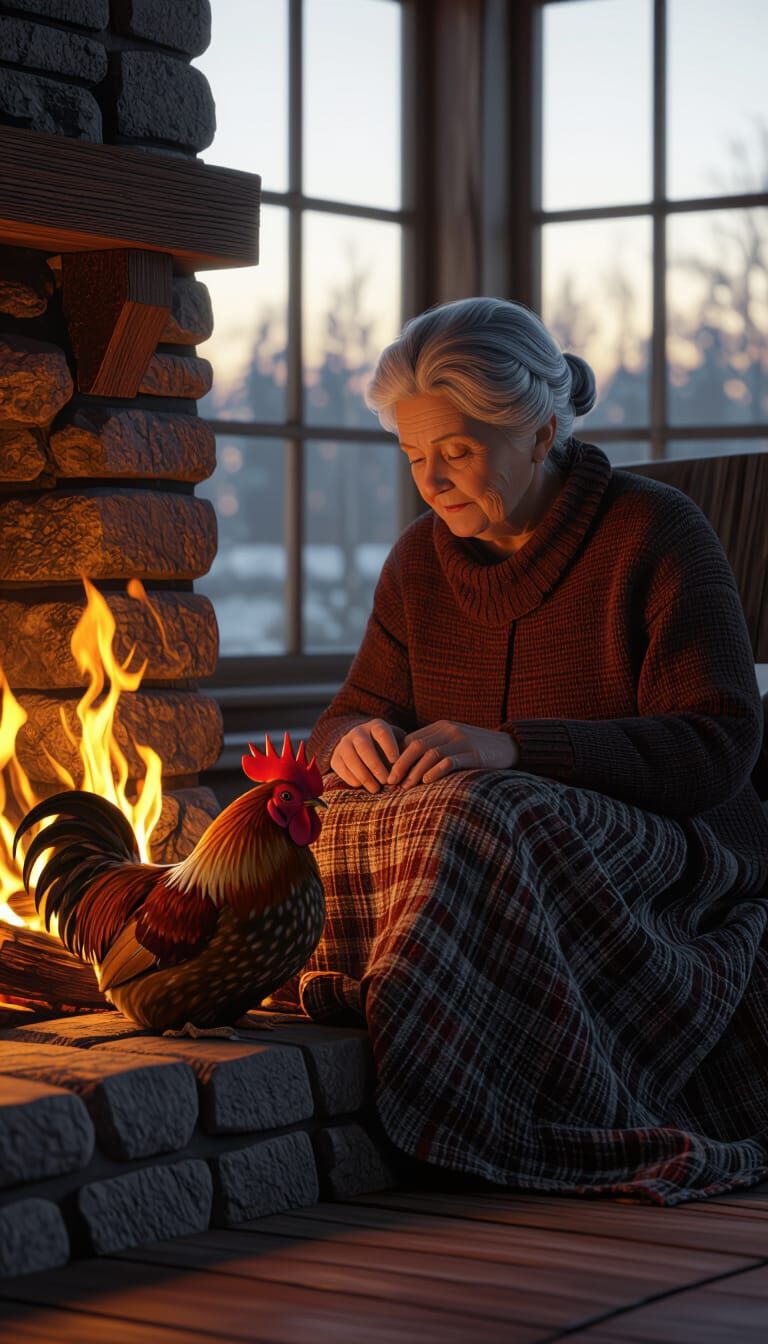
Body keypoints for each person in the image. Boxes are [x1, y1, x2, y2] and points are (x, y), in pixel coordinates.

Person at [267, 296, 768, 1206]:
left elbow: (719, 745)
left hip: (677, 857)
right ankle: (370, 1043)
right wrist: (355, 745)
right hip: (498, 832)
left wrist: (514, 747)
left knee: (477, 811)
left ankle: (458, 1106)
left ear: (538, 432)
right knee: (325, 819)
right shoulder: (419, 562)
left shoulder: (656, 533)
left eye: (455, 451)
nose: (431, 480)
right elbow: (345, 717)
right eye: (415, 455)